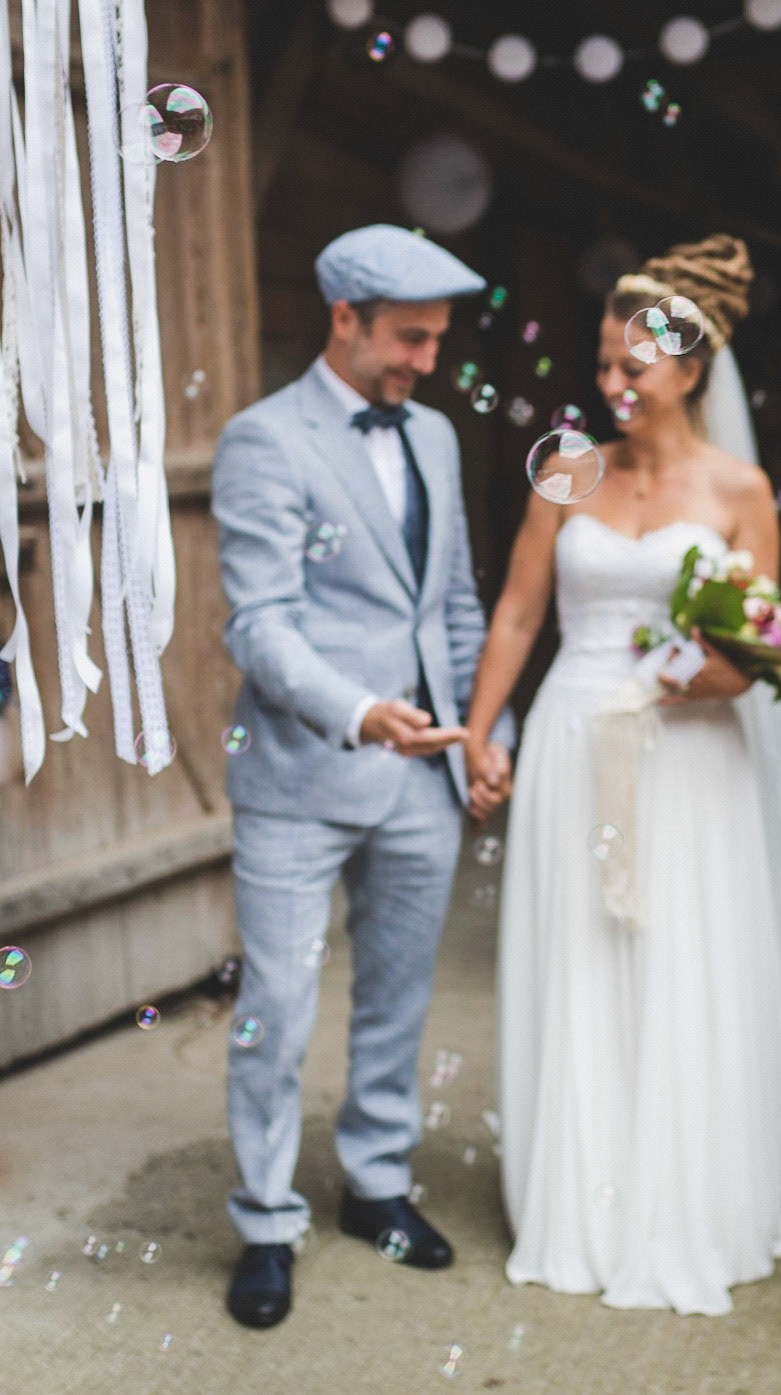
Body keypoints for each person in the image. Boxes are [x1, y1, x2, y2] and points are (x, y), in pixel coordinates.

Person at [464, 235, 781, 1317]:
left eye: (633, 365)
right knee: (584, 958)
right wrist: (479, 731)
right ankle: (584, 1197)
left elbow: (756, 650)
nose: (611, 382)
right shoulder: (569, 468)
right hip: (573, 740)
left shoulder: (742, 490)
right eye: (603, 362)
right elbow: (517, 613)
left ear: (691, 370)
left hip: (693, 758)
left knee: (683, 958)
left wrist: (709, 675)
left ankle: (686, 1194)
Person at [212, 224, 513, 1329]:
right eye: (409, 339)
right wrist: (357, 713)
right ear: (344, 318)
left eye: (438, 340)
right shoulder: (263, 439)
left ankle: (376, 1185)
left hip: (423, 780)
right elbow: (260, 624)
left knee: (397, 999)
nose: (428, 362)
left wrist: (487, 731)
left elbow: (456, 604)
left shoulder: (435, 435)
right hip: (301, 775)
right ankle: (265, 1221)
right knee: (278, 1009)